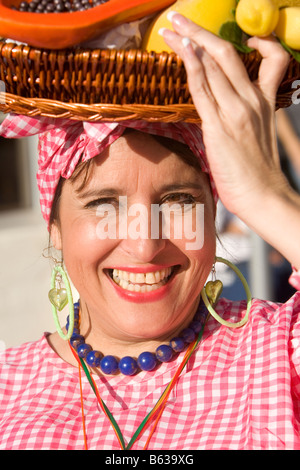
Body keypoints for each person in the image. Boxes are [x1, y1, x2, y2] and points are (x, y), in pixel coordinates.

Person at [0, 12, 300, 450]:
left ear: (215, 207)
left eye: (179, 201)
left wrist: (267, 195)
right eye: (105, 205)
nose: (145, 245)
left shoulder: (277, 353)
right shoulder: (7, 389)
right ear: (57, 228)